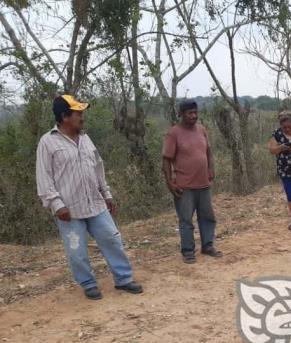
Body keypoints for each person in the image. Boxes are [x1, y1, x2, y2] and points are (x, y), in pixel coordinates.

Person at [36, 95, 143, 300]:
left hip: (96, 204)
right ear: (64, 117)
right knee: (76, 250)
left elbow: (98, 167)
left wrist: (107, 194)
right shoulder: (47, 142)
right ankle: (88, 283)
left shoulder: (85, 138)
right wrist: (57, 205)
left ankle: (124, 279)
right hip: (69, 210)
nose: (82, 117)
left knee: (112, 239)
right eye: (78, 113)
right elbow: (44, 177)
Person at [162, 100, 222, 264]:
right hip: (184, 185)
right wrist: (169, 183)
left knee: (207, 217)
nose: (193, 116)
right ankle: (188, 251)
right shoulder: (173, 133)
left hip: (203, 183)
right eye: (190, 113)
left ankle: (208, 246)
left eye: (195, 113)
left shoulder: (202, 130)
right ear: (181, 114)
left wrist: (211, 168)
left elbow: (208, 151)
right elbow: (166, 160)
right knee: (186, 220)